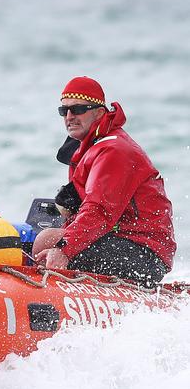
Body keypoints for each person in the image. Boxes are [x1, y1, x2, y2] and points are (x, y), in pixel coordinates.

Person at [33, 76, 176, 286]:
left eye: (78, 109)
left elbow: (99, 211)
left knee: (47, 240)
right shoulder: (89, 147)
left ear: (99, 112)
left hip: (145, 255)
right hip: (118, 240)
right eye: (64, 111)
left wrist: (63, 250)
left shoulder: (115, 150)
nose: (69, 117)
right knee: (39, 237)